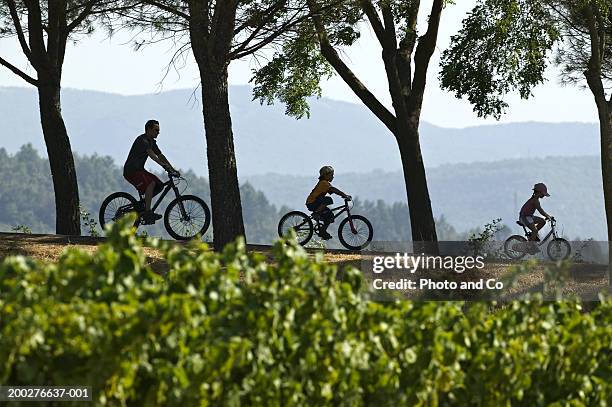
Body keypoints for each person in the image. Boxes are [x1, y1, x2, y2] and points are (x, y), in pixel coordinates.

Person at [123, 120, 179, 224]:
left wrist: (172, 169)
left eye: (159, 130)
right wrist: (164, 166)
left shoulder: (152, 141)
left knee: (159, 185)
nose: (158, 132)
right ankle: (147, 212)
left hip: (139, 170)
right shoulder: (142, 140)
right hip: (131, 171)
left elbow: (160, 156)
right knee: (151, 183)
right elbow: (152, 155)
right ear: (149, 129)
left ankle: (144, 205)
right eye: (156, 130)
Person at [306, 165, 351, 240]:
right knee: (328, 199)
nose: (332, 177)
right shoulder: (323, 183)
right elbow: (333, 189)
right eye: (331, 175)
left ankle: (322, 231)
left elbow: (332, 191)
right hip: (312, 203)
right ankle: (316, 213)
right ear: (325, 175)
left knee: (330, 216)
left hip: (317, 203)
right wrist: (344, 195)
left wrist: (342, 195)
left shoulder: (325, 183)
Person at [519, 182, 553, 252]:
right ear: (538, 192)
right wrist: (548, 216)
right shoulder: (535, 200)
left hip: (529, 217)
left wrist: (547, 216)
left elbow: (541, 211)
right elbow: (540, 211)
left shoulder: (536, 200)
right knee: (535, 230)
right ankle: (530, 246)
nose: (543, 195)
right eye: (543, 194)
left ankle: (532, 236)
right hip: (524, 217)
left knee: (543, 221)